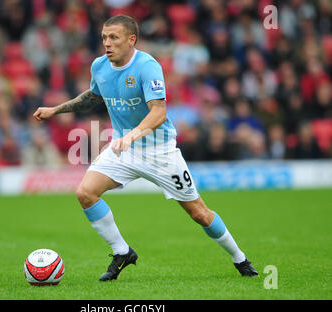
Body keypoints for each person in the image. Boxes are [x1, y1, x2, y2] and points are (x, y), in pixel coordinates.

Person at [33, 15, 258, 281]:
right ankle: (122, 252)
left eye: (114, 37)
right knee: (85, 193)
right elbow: (93, 96)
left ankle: (239, 258)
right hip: (124, 150)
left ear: (131, 40)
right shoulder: (99, 66)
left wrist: (133, 135)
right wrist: (56, 110)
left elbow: (159, 112)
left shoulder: (147, 66)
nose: (107, 43)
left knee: (199, 213)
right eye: (104, 37)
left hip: (159, 151)